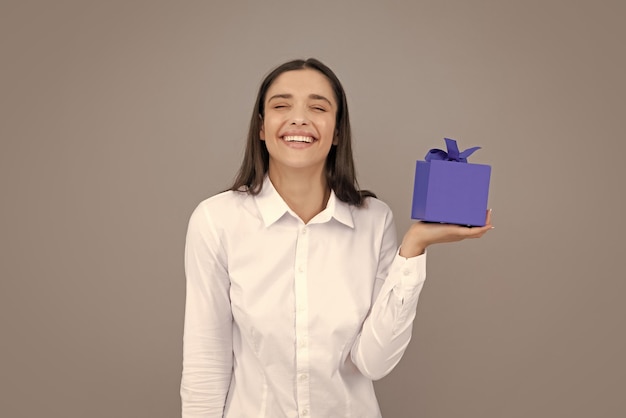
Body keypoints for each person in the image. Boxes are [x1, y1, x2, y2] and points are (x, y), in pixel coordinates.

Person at [180, 58, 492, 417]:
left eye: (317, 107)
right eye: (281, 106)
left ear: (338, 131)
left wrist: (413, 249)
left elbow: (373, 363)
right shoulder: (217, 220)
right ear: (262, 128)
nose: (299, 118)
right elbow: (206, 362)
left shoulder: (375, 221)